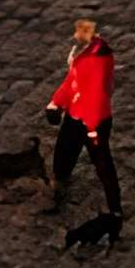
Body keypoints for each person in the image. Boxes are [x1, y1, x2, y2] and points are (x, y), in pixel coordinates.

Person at [45, 17, 121, 219]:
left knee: (103, 164)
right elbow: (73, 82)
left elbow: (92, 92)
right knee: (64, 155)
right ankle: (59, 187)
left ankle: (115, 208)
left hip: (91, 120)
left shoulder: (95, 62)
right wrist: (57, 102)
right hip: (78, 116)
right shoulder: (88, 57)